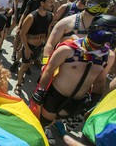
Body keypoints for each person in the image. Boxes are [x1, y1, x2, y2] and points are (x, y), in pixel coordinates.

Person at [32, 14, 116, 144]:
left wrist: (95, 102)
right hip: (55, 96)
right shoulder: (68, 49)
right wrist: (41, 90)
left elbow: (100, 81)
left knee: (55, 120)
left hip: (77, 102)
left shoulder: (108, 56)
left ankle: (49, 129)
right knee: (41, 123)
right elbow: (49, 70)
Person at [14, 0, 54, 96]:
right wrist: (26, 48)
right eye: (50, 2)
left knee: (30, 64)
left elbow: (48, 30)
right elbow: (22, 33)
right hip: (29, 47)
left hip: (39, 47)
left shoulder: (50, 16)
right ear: (42, 3)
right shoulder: (31, 17)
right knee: (24, 66)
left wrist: (46, 44)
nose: (52, 4)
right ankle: (18, 84)